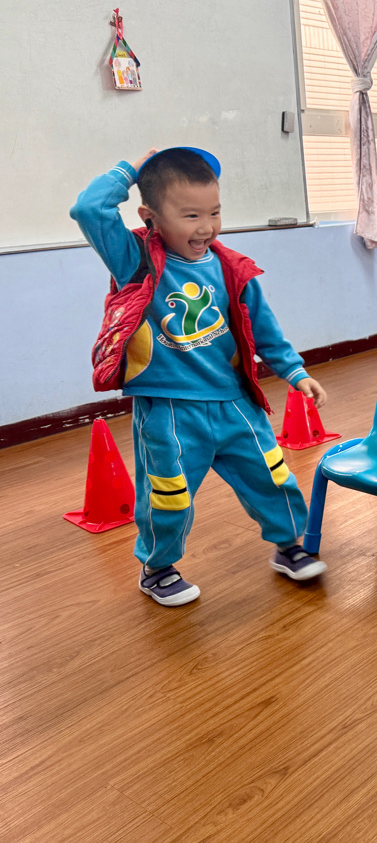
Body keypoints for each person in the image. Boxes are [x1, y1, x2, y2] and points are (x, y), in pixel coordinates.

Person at [70, 147, 328, 607]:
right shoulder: (134, 261)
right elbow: (89, 209)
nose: (206, 226)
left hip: (235, 404)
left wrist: (294, 371)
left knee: (273, 477)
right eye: (190, 215)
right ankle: (158, 568)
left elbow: (264, 328)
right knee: (167, 496)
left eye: (214, 212)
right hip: (169, 410)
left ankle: (289, 546)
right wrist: (133, 169)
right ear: (150, 217)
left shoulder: (233, 269)